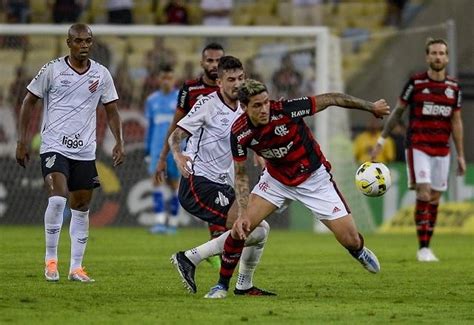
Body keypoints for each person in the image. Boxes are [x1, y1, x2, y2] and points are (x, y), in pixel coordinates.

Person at [203, 79, 390, 299]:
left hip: (314, 179)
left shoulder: (286, 110)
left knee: (350, 239)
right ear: (244, 108)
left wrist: (371, 106)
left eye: (266, 103)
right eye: (257, 105)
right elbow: (241, 174)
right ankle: (221, 286)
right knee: (241, 227)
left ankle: (359, 251)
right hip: (276, 181)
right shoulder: (239, 132)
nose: (264, 109)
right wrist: (243, 212)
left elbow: (332, 98)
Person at [15, 23, 125, 282]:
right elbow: (28, 101)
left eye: (88, 41)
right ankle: (50, 261)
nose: (84, 45)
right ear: (69, 43)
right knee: (57, 198)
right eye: (78, 41)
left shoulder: (101, 74)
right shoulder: (52, 70)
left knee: (82, 206)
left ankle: (76, 267)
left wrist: (119, 140)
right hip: (54, 145)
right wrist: (22, 141)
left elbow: (111, 110)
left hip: (85, 150)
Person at [169, 57, 274, 298]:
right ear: (219, 82)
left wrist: (258, 153)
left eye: (240, 78)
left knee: (259, 230)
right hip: (197, 183)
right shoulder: (207, 104)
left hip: (220, 183)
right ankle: (192, 260)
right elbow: (176, 135)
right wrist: (178, 156)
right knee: (249, 226)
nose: (237, 84)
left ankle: (238, 281)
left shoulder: (245, 108)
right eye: (231, 80)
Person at [371, 38, 465, 262]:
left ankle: (427, 245)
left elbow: (457, 122)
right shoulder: (415, 83)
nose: (438, 57)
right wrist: (382, 139)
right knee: (423, 192)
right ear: (427, 57)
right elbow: (398, 112)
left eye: (442, 53)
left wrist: (460, 154)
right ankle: (423, 248)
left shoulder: (453, 88)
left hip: (442, 149)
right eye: (434, 53)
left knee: (434, 198)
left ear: (447, 57)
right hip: (418, 146)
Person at [154, 43, 227, 245]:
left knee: (227, 210)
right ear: (202, 62)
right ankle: (214, 250)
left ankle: (216, 251)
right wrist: (163, 157)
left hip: (226, 156)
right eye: (210, 60)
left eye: (218, 61)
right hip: (199, 158)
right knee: (218, 207)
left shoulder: (231, 89)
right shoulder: (191, 88)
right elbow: (176, 124)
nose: (214, 65)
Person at [144, 64, 180, 234]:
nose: (166, 81)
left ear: (174, 79)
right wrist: (147, 149)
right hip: (157, 148)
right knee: (157, 183)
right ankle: (159, 222)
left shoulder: (181, 98)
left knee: (175, 184)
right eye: (163, 78)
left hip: (177, 148)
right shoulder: (152, 100)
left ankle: (172, 222)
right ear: (159, 79)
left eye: (170, 78)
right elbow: (150, 127)